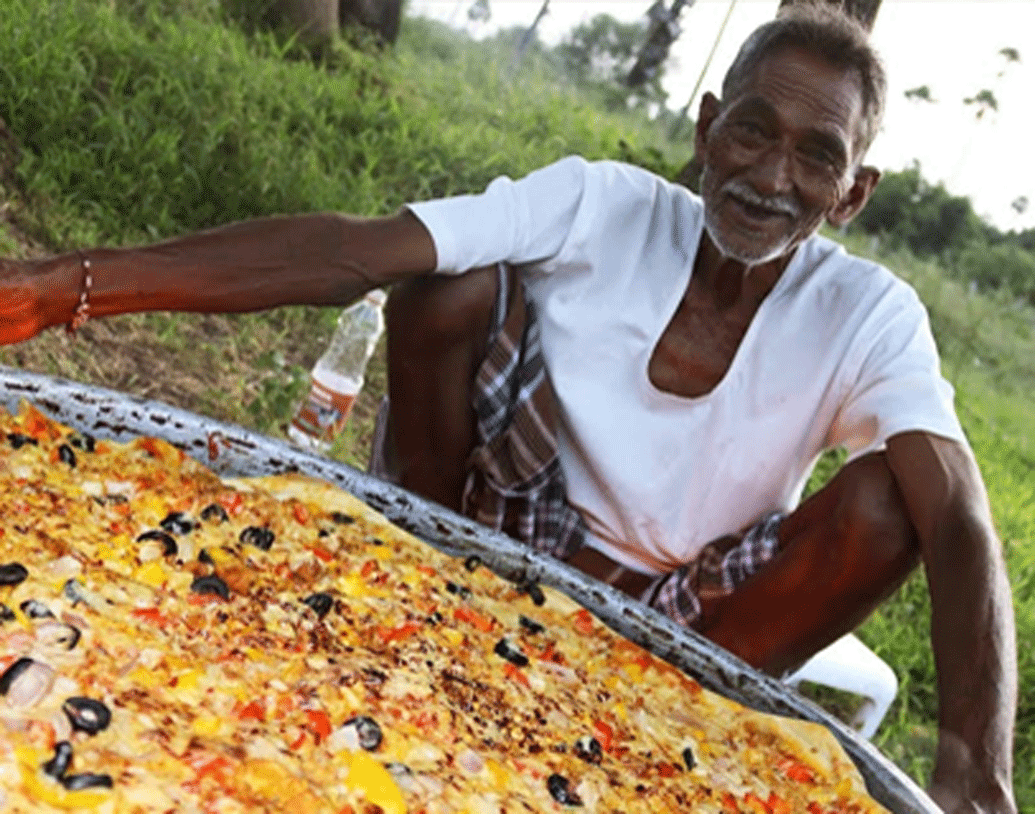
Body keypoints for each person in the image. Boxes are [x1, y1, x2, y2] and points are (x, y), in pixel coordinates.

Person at [0, 5, 1016, 812]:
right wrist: (69, 284)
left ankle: (673, 731)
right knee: (447, 282)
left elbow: (960, 516)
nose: (771, 175)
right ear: (709, 128)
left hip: (690, 611)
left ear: (854, 191)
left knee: (896, 502)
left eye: (815, 155)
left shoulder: (870, 313)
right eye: (752, 132)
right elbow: (360, 249)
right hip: (501, 523)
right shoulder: (601, 201)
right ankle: (404, 561)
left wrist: (976, 765)